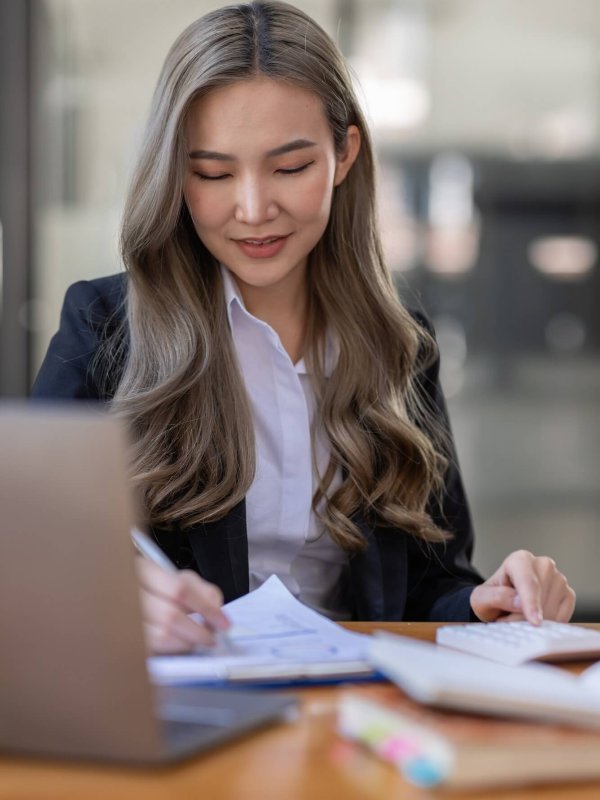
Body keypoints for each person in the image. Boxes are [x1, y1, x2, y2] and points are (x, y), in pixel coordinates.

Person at [32, 0, 575, 653]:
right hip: (191, 715)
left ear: (344, 155)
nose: (255, 209)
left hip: (353, 710)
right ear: (176, 172)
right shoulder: (104, 329)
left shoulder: (401, 342)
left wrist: (492, 604)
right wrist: (114, 603)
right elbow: (28, 564)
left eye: (290, 167)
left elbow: (428, 586)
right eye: (213, 173)